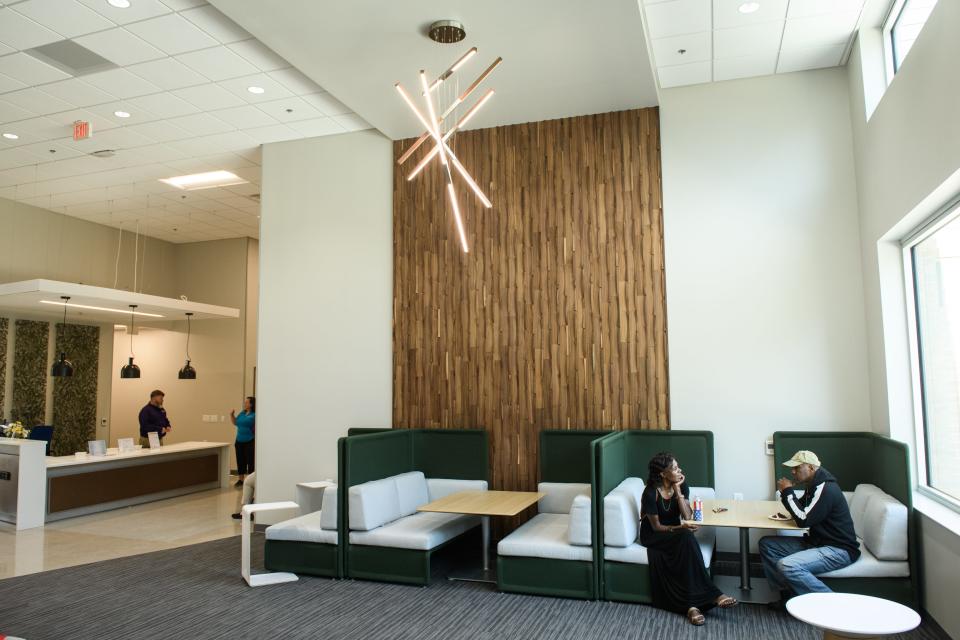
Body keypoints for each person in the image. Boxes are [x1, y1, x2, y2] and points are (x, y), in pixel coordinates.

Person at [640, 452, 737, 625]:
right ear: (663, 473)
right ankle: (714, 595)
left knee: (686, 544)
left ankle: (692, 607)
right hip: (654, 536)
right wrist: (681, 528)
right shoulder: (650, 492)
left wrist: (678, 491)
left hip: (675, 534)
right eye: (675, 468)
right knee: (686, 536)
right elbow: (657, 527)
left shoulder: (681, 486)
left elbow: (687, 516)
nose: (680, 470)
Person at [759, 450, 860, 609]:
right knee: (767, 544)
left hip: (838, 549)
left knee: (788, 565)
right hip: (817, 542)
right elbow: (800, 509)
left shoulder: (825, 488)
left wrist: (786, 491)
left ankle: (836, 606)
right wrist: (789, 495)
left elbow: (803, 520)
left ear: (812, 468)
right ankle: (788, 597)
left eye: (797, 468)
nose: (793, 471)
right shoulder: (813, 485)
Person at [230, 396, 255, 487]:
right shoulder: (242, 413)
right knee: (240, 460)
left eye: (247, 402)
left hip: (250, 441)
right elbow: (235, 423)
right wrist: (232, 415)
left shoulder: (254, 415)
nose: (245, 404)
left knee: (250, 461)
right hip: (239, 441)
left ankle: (250, 481)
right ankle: (241, 479)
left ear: (251, 404)